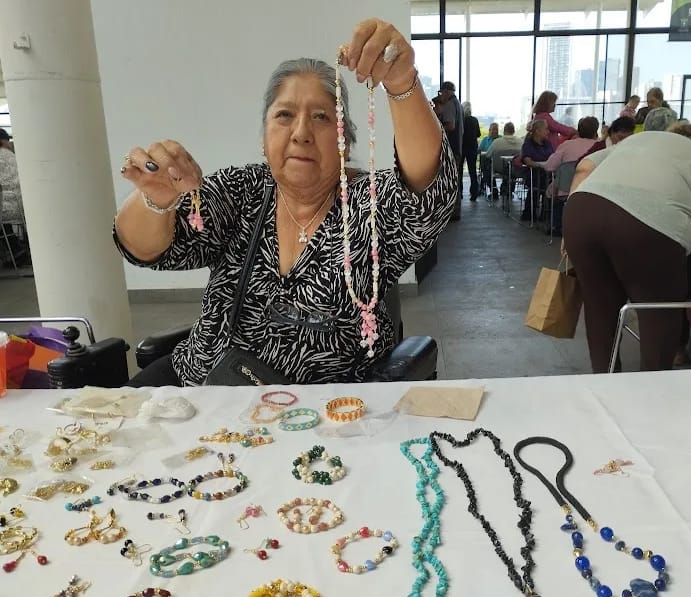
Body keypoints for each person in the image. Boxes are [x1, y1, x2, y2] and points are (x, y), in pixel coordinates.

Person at [113, 19, 458, 387]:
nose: (301, 132)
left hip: (321, 410)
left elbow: (429, 194)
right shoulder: (241, 191)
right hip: (200, 388)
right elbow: (143, 248)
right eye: (284, 115)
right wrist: (155, 200)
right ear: (264, 139)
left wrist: (402, 81)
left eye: (321, 117)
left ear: (344, 142)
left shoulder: (367, 206)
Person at [563, 124, 691, 373]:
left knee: (600, 308)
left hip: (581, 211)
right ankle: (654, 384)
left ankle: (604, 381)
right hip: (647, 226)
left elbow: (584, 167)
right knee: (658, 313)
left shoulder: (639, 139)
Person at [541, 116, 599, 235]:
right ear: (595, 131)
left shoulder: (567, 145)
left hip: (566, 188)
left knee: (554, 192)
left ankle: (557, 226)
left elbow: (549, 166)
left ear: (578, 130)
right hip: (592, 189)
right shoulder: (600, 146)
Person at [0, 128, 27, 266]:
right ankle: (16, 251)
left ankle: (14, 253)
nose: (9, 143)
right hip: (22, 204)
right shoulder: (11, 155)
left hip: (8, 207)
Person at [438, 81, 464, 218]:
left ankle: (451, 212)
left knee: (449, 180)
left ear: (446, 91)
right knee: (454, 180)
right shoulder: (458, 104)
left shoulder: (449, 104)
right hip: (457, 147)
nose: (440, 96)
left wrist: (437, 126)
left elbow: (450, 126)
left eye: (441, 92)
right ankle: (455, 210)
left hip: (451, 148)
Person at [520, 120, 554, 220]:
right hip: (533, 173)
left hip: (548, 173)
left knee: (553, 183)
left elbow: (553, 157)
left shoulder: (548, 144)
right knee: (538, 185)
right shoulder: (528, 145)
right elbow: (527, 161)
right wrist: (541, 165)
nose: (548, 132)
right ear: (538, 131)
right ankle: (530, 213)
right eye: (546, 129)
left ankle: (547, 213)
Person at [485, 122, 522, 199]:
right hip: (514, 169)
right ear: (513, 131)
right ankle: (509, 190)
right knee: (512, 166)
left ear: (504, 131)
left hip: (498, 168)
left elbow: (488, 155)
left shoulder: (497, 142)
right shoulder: (520, 142)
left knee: (487, 166)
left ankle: (494, 190)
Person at [461, 102, 480, 202]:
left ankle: (459, 192)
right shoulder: (474, 120)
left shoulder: (461, 120)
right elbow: (478, 134)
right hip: (472, 148)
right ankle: (474, 193)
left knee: (459, 170)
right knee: (472, 171)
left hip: (462, 147)